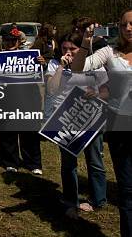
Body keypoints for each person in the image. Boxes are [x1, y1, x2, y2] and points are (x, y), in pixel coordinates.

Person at [71, 9, 132, 237]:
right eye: (124, 24)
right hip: (121, 127)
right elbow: (77, 68)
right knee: (127, 190)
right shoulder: (109, 52)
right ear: (118, 27)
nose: (128, 28)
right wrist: (86, 42)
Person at [45, 32, 107, 219]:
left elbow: (106, 91)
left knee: (95, 160)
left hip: (90, 118)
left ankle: (98, 199)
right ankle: (71, 201)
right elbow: (51, 89)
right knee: (68, 163)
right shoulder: (55, 64)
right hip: (65, 119)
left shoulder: (93, 64)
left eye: (72, 48)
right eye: (64, 48)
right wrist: (60, 68)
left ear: (81, 49)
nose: (68, 52)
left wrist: (97, 95)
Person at [0, 26, 43, 174]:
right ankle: (11, 162)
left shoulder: (29, 56)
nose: (10, 43)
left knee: (30, 132)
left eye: (13, 40)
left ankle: (33, 163)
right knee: (7, 132)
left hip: (27, 98)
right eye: (7, 40)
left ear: (18, 40)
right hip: (6, 99)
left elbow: (41, 75)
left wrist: (42, 63)